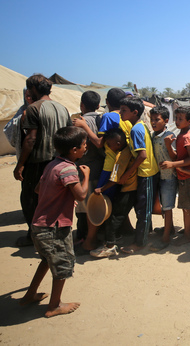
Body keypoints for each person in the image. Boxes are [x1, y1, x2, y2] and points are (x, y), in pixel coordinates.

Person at [20, 126, 89, 318]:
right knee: (62, 264)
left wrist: (64, 197)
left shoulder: (53, 164)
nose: (86, 148)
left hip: (39, 225)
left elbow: (38, 190)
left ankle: (30, 294)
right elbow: (82, 195)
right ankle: (54, 305)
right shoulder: (69, 168)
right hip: (54, 228)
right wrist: (87, 176)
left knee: (46, 259)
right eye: (84, 145)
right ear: (74, 150)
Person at [14, 74, 72, 247]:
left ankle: (34, 236)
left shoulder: (33, 109)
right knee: (54, 199)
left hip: (39, 163)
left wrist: (20, 164)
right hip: (59, 161)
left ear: (32, 90)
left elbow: (31, 139)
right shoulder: (62, 108)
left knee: (30, 199)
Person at [74, 87, 131, 253]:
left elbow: (99, 143)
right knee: (112, 200)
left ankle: (91, 241)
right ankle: (114, 234)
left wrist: (84, 125)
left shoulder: (107, 116)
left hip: (109, 165)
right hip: (121, 164)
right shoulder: (125, 118)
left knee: (97, 200)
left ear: (106, 103)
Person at [118, 96, 159, 254]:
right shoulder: (141, 125)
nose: (121, 113)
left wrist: (126, 175)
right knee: (144, 207)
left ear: (135, 112)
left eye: (124, 110)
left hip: (146, 173)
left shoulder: (135, 129)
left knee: (144, 209)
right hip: (147, 172)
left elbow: (142, 155)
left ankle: (140, 242)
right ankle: (145, 233)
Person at [90, 128, 137, 258]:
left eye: (109, 145)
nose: (109, 148)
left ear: (117, 143)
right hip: (132, 187)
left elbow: (114, 179)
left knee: (114, 217)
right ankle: (120, 236)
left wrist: (101, 189)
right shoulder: (127, 149)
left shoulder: (121, 157)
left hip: (127, 189)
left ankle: (110, 246)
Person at [159, 106, 190, 246]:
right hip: (184, 176)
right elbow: (179, 156)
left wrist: (172, 165)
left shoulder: (187, 137)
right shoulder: (182, 134)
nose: (177, 121)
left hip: (187, 177)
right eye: (176, 118)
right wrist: (169, 146)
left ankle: (187, 235)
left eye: (180, 119)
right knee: (189, 205)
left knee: (186, 207)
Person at [73, 91, 105, 244]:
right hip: (100, 168)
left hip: (84, 169)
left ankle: (83, 237)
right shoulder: (101, 120)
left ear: (82, 105)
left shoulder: (80, 122)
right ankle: (97, 234)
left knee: (83, 206)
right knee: (98, 204)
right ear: (98, 105)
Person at [148, 106, 177, 251]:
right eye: (151, 119)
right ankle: (169, 228)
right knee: (163, 204)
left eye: (156, 120)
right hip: (158, 175)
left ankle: (166, 236)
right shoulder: (153, 136)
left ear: (166, 121)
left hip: (169, 176)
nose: (153, 122)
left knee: (168, 206)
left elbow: (175, 157)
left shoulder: (170, 136)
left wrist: (168, 145)